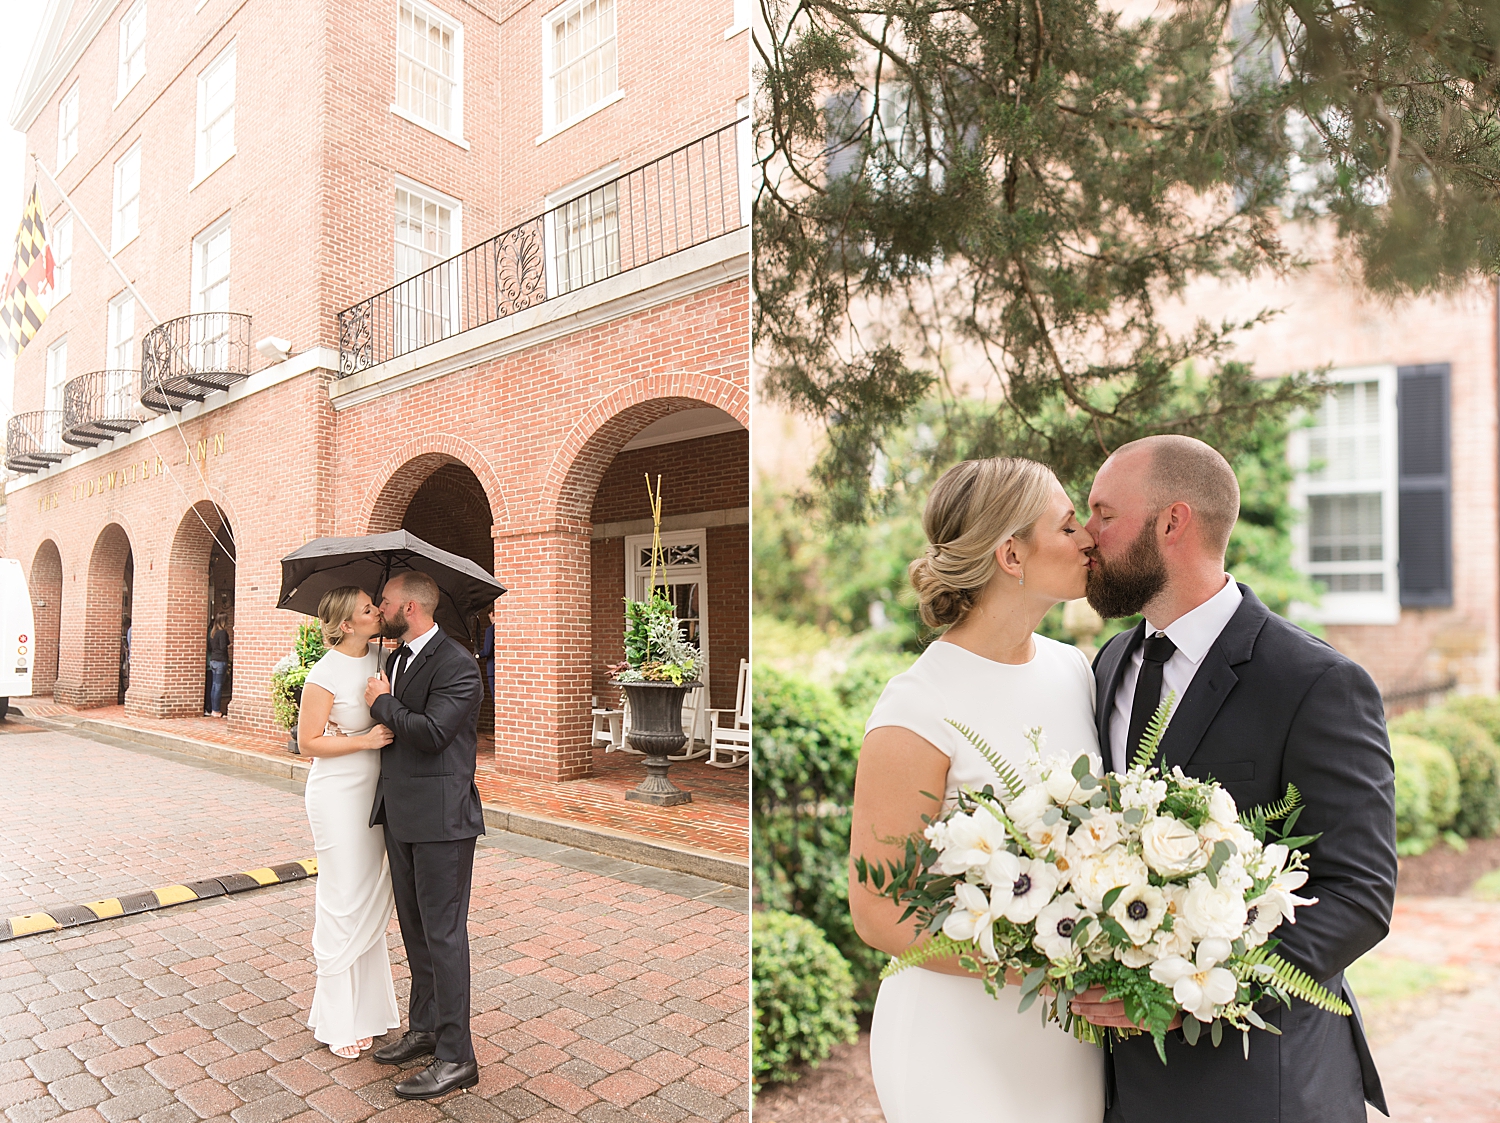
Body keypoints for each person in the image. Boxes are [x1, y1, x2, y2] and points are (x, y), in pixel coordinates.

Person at [1070, 434, 1396, 1123]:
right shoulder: (1107, 665)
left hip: (1264, 1087)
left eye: (1103, 513)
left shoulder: (1314, 682)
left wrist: (1193, 991)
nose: (1086, 535)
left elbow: (1360, 894)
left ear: (1172, 521)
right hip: (1123, 1090)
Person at [850, 457, 1106, 1123]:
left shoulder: (1072, 669)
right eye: (1069, 524)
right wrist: (1043, 966)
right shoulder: (916, 708)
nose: (1089, 538)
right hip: (955, 1035)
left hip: (1066, 1038)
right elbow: (878, 909)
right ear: (1012, 553)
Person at [364, 570, 485, 1100]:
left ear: (410, 607)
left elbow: (434, 734)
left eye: (384, 602)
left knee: (444, 935)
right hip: (402, 815)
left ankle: (457, 1056)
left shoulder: (459, 664)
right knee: (415, 930)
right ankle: (426, 1028)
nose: (379, 608)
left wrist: (383, 703)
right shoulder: (395, 658)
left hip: (442, 821)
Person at [297, 586, 399, 1061]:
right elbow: (308, 743)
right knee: (342, 897)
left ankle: (372, 1012)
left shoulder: (383, 655)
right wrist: (365, 740)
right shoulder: (324, 674)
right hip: (338, 794)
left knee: (371, 894)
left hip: (377, 792)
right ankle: (338, 1019)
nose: (377, 611)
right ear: (345, 625)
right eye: (366, 609)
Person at [207, 613, 231, 717]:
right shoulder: (222, 633)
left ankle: (213, 708)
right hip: (221, 660)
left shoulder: (213, 632)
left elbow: (211, 647)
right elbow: (223, 647)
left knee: (214, 686)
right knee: (218, 686)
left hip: (213, 660)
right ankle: (216, 710)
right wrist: (228, 646)